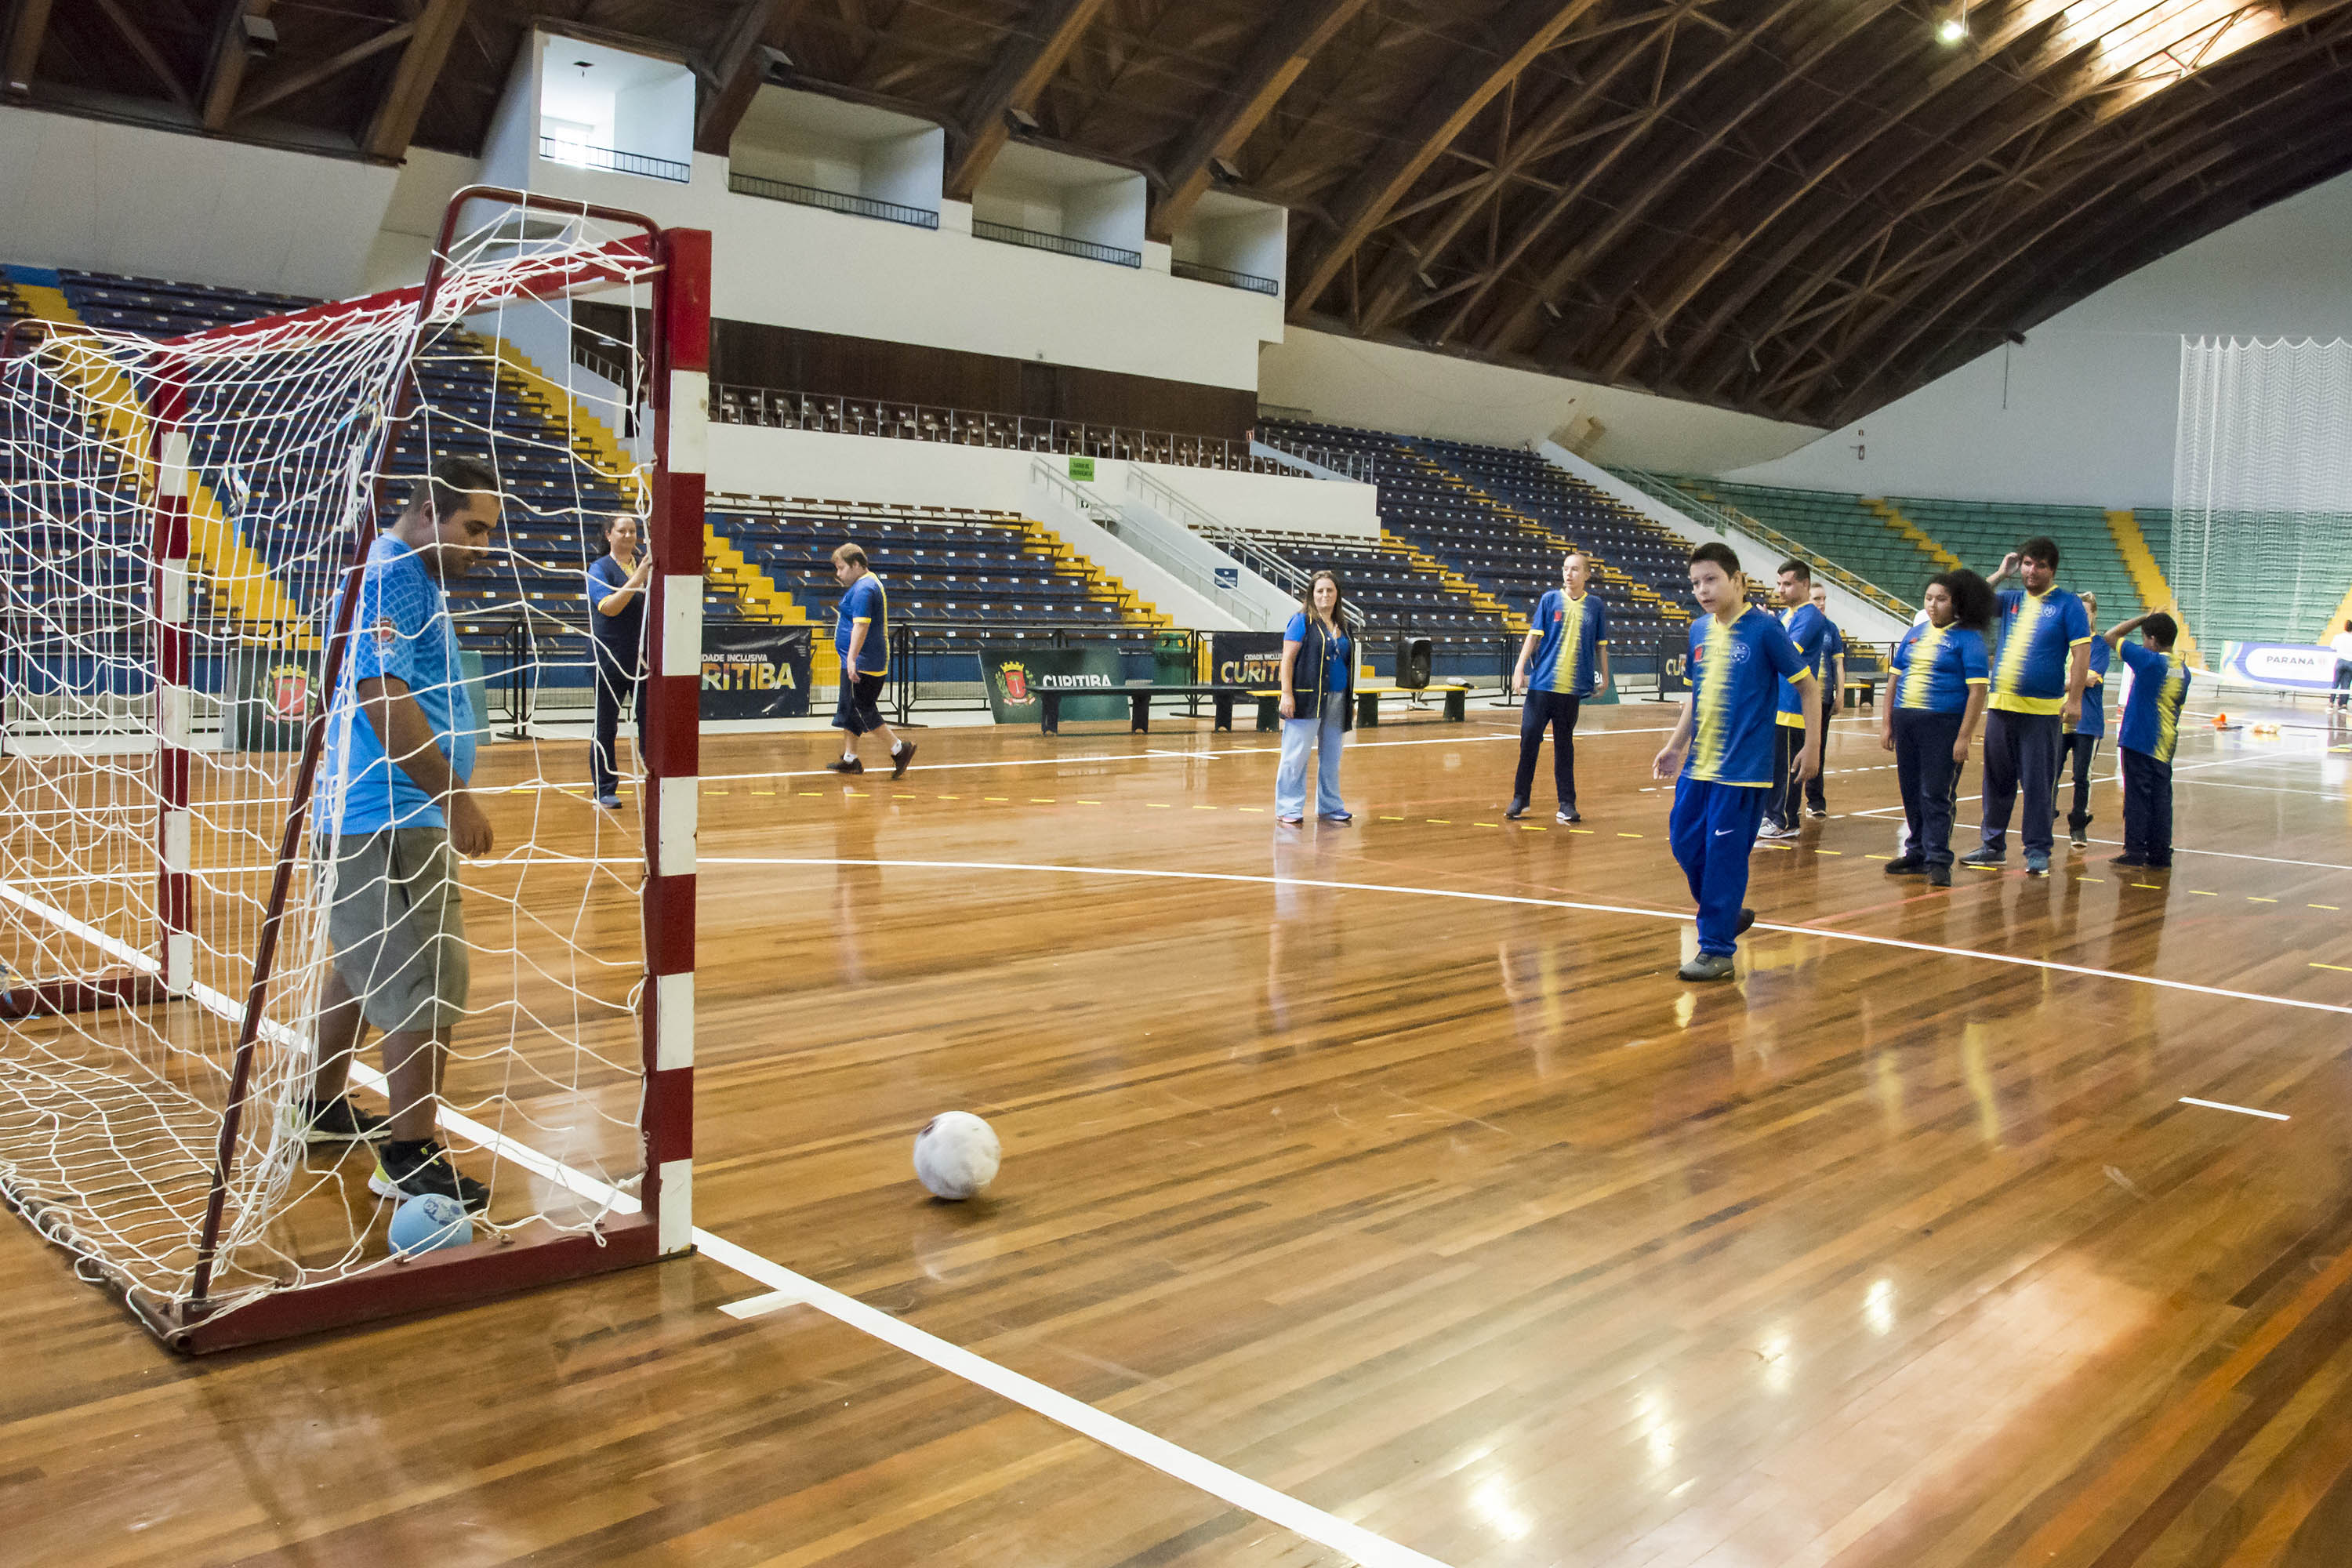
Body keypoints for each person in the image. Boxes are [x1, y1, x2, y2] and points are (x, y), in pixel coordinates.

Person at [302, 456, 503, 1212]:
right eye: (472, 529)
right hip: (389, 813)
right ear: (427, 514)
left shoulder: (398, 576)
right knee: (429, 979)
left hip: (377, 812)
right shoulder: (395, 575)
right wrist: (454, 798)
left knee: (359, 968)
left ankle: (317, 1106)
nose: (482, 547)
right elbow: (382, 697)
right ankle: (410, 1153)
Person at [1653, 543, 1820, 982]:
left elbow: (1809, 688)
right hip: (1697, 768)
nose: (1702, 590)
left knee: (1725, 857)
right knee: (1684, 844)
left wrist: (1813, 746)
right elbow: (1695, 696)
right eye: (1695, 583)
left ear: (1738, 580)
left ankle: (1718, 950)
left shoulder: (1765, 630)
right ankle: (1725, 912)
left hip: (1742, 773)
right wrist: (1674, 746)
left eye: (1711, 580)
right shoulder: (1697, 631)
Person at [1960, 537, 2091, 877]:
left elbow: (2081, 654)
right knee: (1997, 781)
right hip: (2001, 707)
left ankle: (2037, 851)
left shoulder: (2068, 605)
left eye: (2040, 566)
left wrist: (2074, 699)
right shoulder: (2011, 599)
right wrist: (2002, 574)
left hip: (2042, 714)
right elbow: (1968, 603)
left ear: (2052, 570)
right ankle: (1993, 847)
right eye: (2028, 564)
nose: (2032, 571)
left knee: (2037, 785)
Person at [1881, 571, 1993, 886]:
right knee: (1911, 792)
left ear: (1956, 603)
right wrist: (1887, 723)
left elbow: (1977, 691)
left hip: (1943, 726)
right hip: (1907, 724)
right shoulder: (1914, 633)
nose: (1932, 605)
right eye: (1929, 598)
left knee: (1936, 794)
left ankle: (1939, 859)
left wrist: (1963, 737)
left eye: (1941, 599)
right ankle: (1916, 852)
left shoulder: (1969, 639)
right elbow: (1894, 679)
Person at [1506, 551, 1610, 823]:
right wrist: (1519, 668)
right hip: (1541, 687)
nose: (1568, 574)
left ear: (1587, 574)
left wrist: (1605, 678)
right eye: (1566, 569)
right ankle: (1521, 798)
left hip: (1571, 690)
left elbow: (1601, 646)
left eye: (1575, 569)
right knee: (1529, 738)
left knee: (1565, 746)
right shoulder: (1549, 600)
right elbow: (1533, 636)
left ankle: (1567, 803)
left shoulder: (1595, 606)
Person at [2106, 611, 2191, 869]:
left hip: (2139, 740)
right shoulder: (2183, 670)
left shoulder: (2149, 661)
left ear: (2152, 640)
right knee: (2161, 800)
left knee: (2137, 798)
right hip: (2165, 745)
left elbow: (2111, 635)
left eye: (2145, 638)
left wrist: (2143, 618)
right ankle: (2160, 853)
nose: (2143, 643)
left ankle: (2134, 850)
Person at [827, 543, 913, 777]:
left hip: (864, 662)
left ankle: (899, 749)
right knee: (850, 710)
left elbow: (861, 625)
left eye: (842, 568)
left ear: (856, 565)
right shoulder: (864, 584)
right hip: (858, 660)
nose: (839, 574)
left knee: (862, 707)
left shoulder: (865, 588)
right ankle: (850, 759)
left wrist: (853, 659)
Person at [1276, 570, 1354, 826]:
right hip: (1306, 698)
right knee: (1296, 755)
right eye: (1320, 590)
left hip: (1337, 699)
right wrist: (1286, 695)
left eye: (1330, 590)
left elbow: (1345, 663)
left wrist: (1349, 701)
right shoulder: (1301, 621)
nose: (1325, 595)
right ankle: (1289, 807)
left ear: (1337, 595)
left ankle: (1330, 807)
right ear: (1312, 594)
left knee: (1332, 757)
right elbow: (1287, 660)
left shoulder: (1343, 625)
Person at [1760, 559, 1830, 840]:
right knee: (1776, 766)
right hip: (1778, 703)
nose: (1781, 590)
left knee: (1788, 767)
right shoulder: (1787, 616)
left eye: (1787, 584)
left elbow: (1787, 651)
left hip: (1794, 705)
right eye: (1778, 584)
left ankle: (1786, 820)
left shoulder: (1810, 616)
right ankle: (1771, 815)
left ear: (1804, 584)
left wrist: (1769, 626)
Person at [586, 513, 651, 809]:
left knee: (650, 724)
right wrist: (638, 580)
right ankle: (604, 789)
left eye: (633, 531)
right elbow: (609, 608)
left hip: (643, 661)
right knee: (606, 727)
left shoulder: (647, 568)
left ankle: (654, 778)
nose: (628, 535)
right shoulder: (598, 569)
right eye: (621, 530)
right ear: (609, 535)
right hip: (609, 659)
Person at [2050, 590, 2108, 848]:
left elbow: (2090, 678)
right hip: (2057, 718)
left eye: (2085, 613)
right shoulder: (2062, 643)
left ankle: (2078, 824)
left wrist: (2055, 684)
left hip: (2088, 721)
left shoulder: (2099, 645)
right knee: (2050, 772)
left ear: (2093, 615)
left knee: (2081, 776)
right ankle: (2044, 819)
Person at [1804, 580, 1846, 818]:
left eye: (1823, 599)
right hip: (1796, 702)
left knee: (1817, 749)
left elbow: (1838, 664)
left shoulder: (1831, 629)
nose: (1821, 603)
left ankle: (1816, 801)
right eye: (1816, 598)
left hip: (1822, 700)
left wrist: (1839, 695)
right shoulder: (1795, 624)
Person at [2331, 619, 2352, 715]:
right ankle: (2343, 704)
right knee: (2346, 684)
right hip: (2350, 662)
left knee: (2336, 682)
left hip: (2340, 661)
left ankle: (2331, 702)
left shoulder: (2338, 637)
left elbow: (2333, 647)